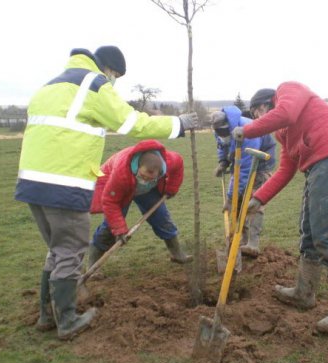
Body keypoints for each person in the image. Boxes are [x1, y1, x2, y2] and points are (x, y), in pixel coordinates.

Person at [14, 45, 199, 340]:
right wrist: (178, 123)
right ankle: (68, 320)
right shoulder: (94, 84)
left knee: (57, 250)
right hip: (65, 182)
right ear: (110, 70)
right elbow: (132, 122)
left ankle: (47, 317)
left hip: (32, 182)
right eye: (116, 76)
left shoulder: (52, 85)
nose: (114, 81)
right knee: (70, 252)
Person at [232, 83, 328, 333]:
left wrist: (247, 130)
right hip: (317, 167)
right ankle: (304, 293)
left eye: (257, 113)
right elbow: (285, 170)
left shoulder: (288, 90)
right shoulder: (285, 134)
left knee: (325, 232)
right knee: (309, 231)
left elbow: (286, 113)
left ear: (264, 105)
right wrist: (257, 199)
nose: (260, 120)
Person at [88, 139, 192, 266]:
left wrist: (171, 189)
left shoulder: (169, 160)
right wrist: (119, 229)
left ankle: (177, 254)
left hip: (146, 191)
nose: (146, 179)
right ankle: (92, 265)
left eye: (151, 178)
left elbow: (179, 165)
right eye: (143, 176)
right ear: (138, 166)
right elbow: (110, 202)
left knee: (162, 218)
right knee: (110, 227)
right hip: (120, 189)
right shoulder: (121, 173)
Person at [210, 105, 276, 257]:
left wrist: (230, 197)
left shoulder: (248, 132)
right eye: (218, 132)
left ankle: (253, 243)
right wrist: (223, 162)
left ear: (230, 125)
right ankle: (242, 240)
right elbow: (222, 145)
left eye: (224, 132)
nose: (221, 134)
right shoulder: (220, 129)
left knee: (254, 199)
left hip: (260, 162)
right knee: (238, 201)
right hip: (243, 158)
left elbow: (245, 170)